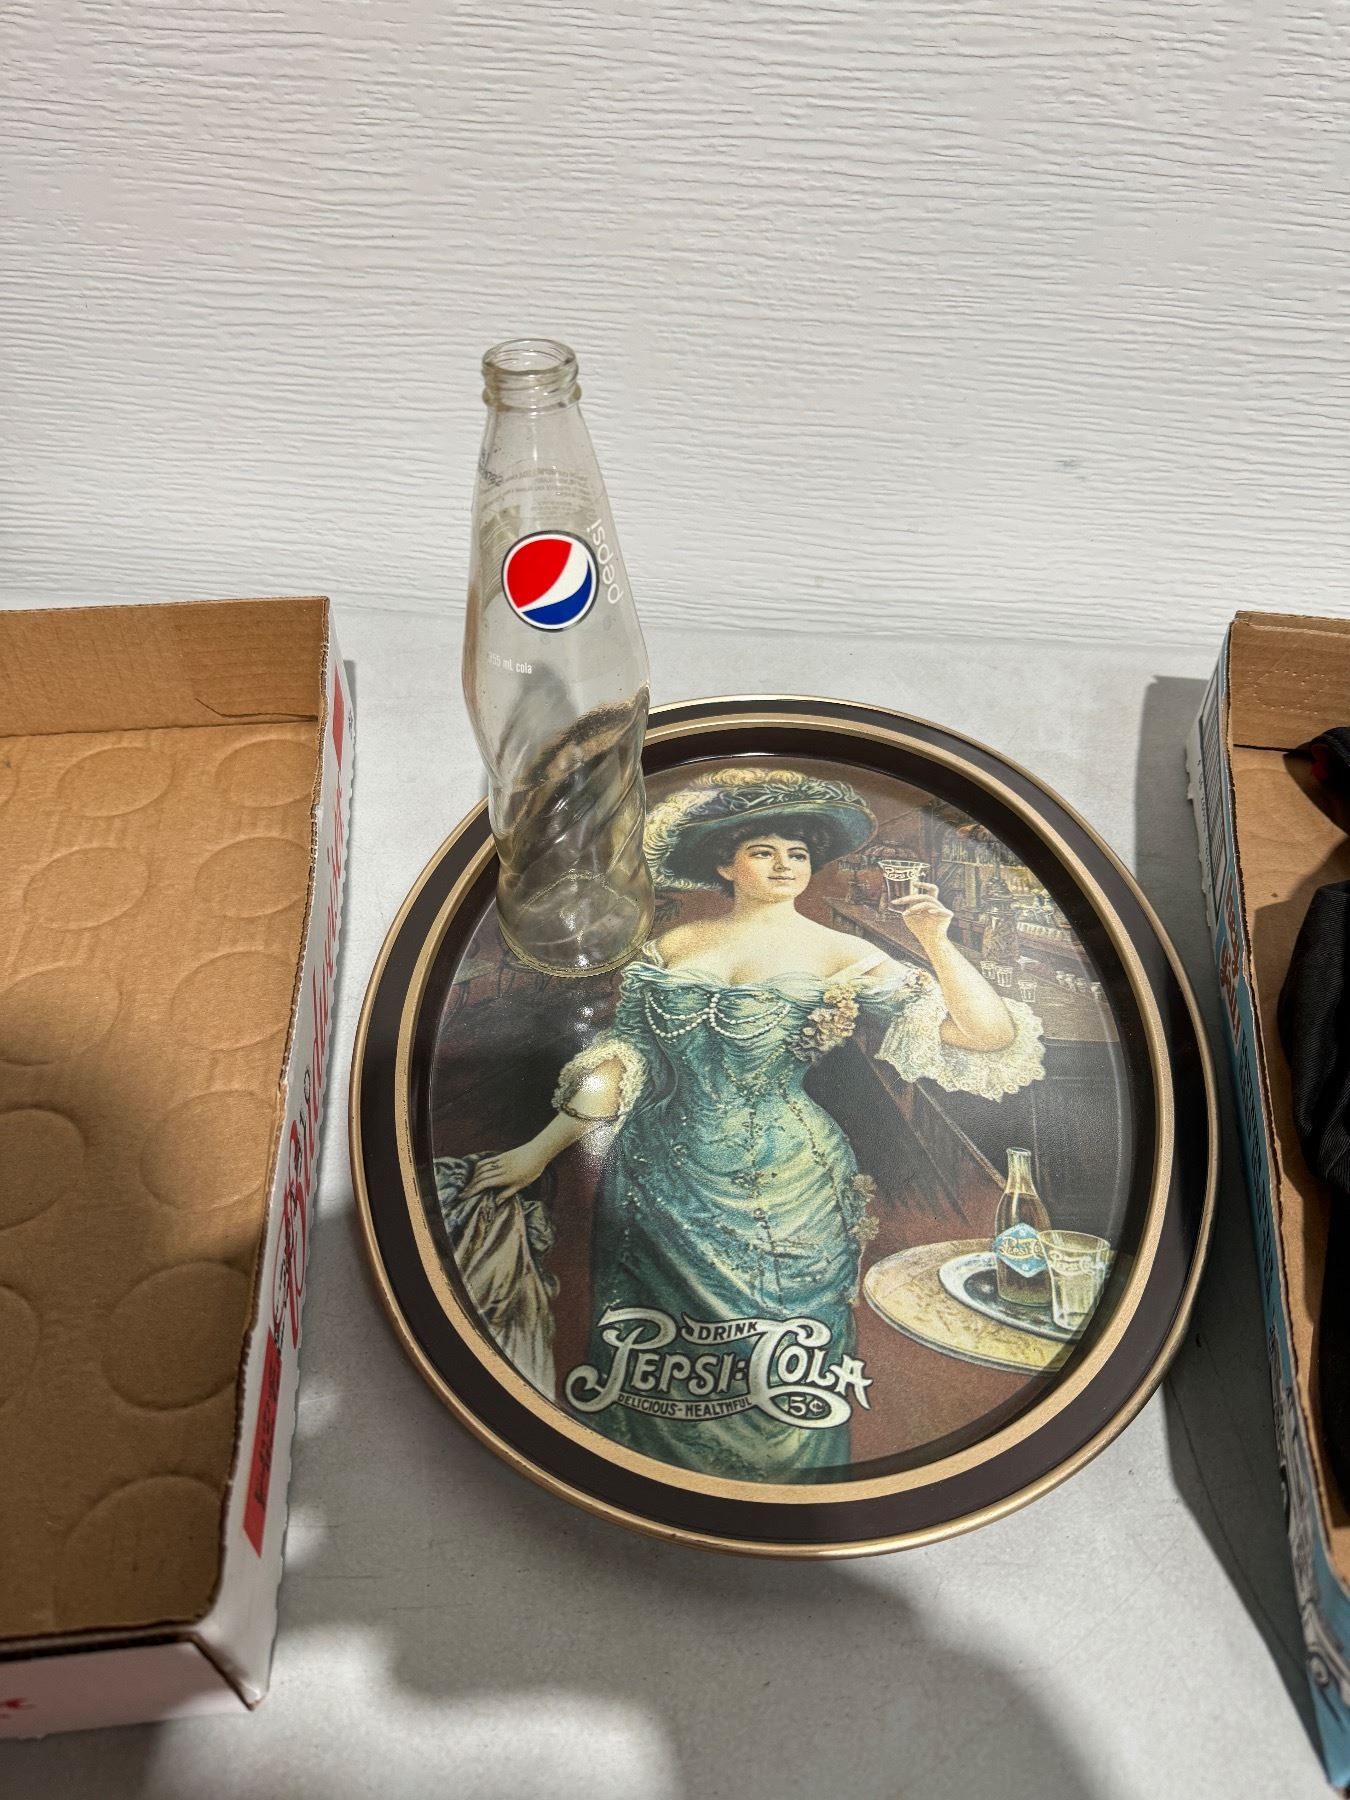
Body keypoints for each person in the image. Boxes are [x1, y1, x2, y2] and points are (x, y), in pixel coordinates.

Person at [462, 766, 1045, 1481]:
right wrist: (539, 1150)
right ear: (724, 864)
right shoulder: (673, 946)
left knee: (788, 1370)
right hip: (655, 1180)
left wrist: (934, 940)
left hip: (790, 1185)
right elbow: (620, 1062)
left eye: (797, 853)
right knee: (650, 1364)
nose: (784, 865)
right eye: (763, 851)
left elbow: (986, 1035)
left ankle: (792, 1501)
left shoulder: (845, 955)